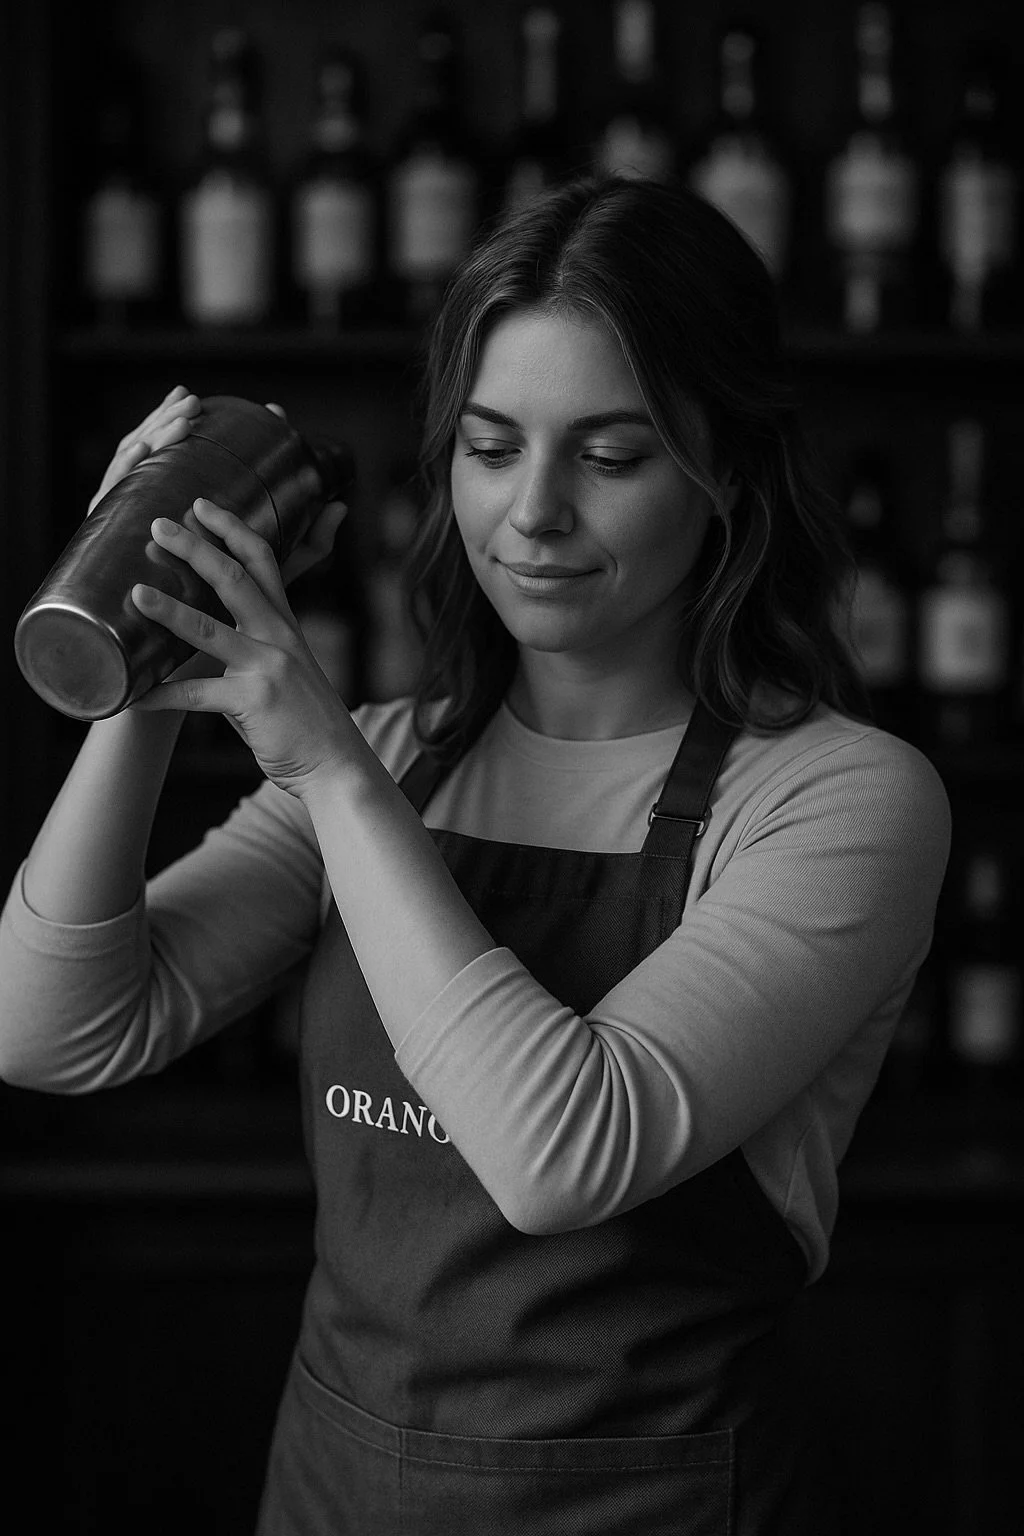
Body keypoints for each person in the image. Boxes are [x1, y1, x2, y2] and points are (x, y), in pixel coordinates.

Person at [0, 174, 951, 1535]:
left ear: (726, 472)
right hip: (335, 1492)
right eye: (492, 446)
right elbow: (48, 1030)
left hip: (649, 1505)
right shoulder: (390, 754)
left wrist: (332, 769)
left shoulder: (842, 801)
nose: (534, 513)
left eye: (611, 456)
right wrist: (140, 660)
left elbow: (567, 1152)